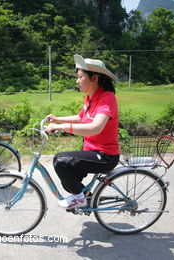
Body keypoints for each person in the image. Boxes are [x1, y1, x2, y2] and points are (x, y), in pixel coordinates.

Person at [45, 54, 120, 209]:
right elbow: (80, 118)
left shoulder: (107, 98)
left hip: (105, 155)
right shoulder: (90, 98)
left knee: (61, 161)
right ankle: (85, 199)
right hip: (91, 149)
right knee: (69, 181)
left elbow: (95, 127)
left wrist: (61, 127)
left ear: (94, 78)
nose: (77, 81)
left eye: (80, 77)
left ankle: (80, 199)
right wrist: (57, 119)